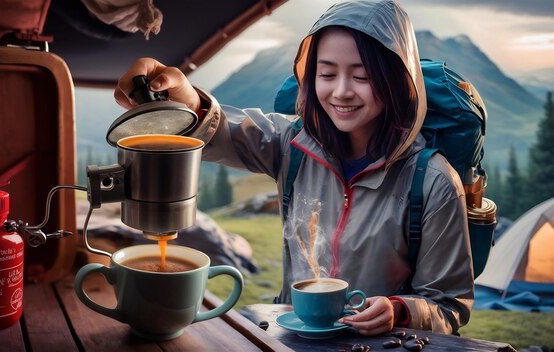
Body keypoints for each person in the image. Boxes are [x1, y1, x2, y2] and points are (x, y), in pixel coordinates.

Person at [114, 0, 473, 336]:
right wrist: (186, 98)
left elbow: (449, 306)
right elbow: (221, 130)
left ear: (396, 81)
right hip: (293, 340)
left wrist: (400, 310)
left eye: (362, 77)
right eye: (327, 74)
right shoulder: (292, 146)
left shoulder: (434, 182)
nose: (341, 92)